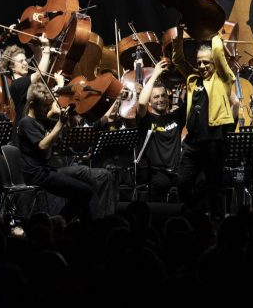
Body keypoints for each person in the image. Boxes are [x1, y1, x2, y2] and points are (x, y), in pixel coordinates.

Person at [16, 83, 117, 220]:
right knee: (85, 191)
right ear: (32, 104)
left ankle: (69, 221)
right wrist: (59, 123)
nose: (47, 109)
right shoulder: (26, 123)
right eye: (44, 106)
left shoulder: (41, 120)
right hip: (38, 175)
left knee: (85, 183)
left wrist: (70, 113)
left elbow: (71, 127)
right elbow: (43, 146)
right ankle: (62, 220)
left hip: (48, 171)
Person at [172, 27, 239, 217]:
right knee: (183, 182)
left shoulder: (223, 78)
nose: (201, 66)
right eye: (199, 62)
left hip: (214, 140)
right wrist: (179, 34)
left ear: (215, 64)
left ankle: (217, 223)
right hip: (192, 141)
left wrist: (212, 31)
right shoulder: (193, 79)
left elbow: (217, 52)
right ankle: (192, 217)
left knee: (214, 186)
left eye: (206, 62)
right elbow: (178, 60)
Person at [135, 62, 184, 202]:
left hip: (177, 172)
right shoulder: (146, 119)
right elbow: (141, 103)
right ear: (150, 102)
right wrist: (155, 74)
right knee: (161, 187)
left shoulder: (176, 117)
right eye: (156, 97)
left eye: (163, 96)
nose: (161, 99)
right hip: (157, 174)